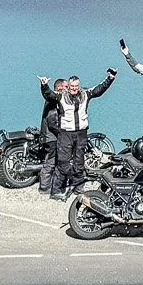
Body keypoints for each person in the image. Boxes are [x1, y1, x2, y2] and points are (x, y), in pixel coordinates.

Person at [47, 67, 115, 196]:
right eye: (71, 86)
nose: (74, 88)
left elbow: (99, 89)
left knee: (79, 162)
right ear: (68, 87)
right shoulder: (61, 96)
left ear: (79, 85)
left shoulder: (85, 94)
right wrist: (44, 85)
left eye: (76, 86)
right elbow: (48, 94)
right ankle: (56, 190)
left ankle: (78, 188)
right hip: (66, 133)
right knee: (63, 162)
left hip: (81, 133)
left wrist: (110, 78)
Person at [37, 77, 69, 197]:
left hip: (49, 136)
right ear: (59, 88)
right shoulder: (53, 101)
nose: (67, 89)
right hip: (51, 137)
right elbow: (53, 122)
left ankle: (48, 185)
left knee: (52, 161)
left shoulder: (54, 100)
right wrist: (62, 133)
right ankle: (44, 187)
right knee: (51, 161)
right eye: (66, 87)